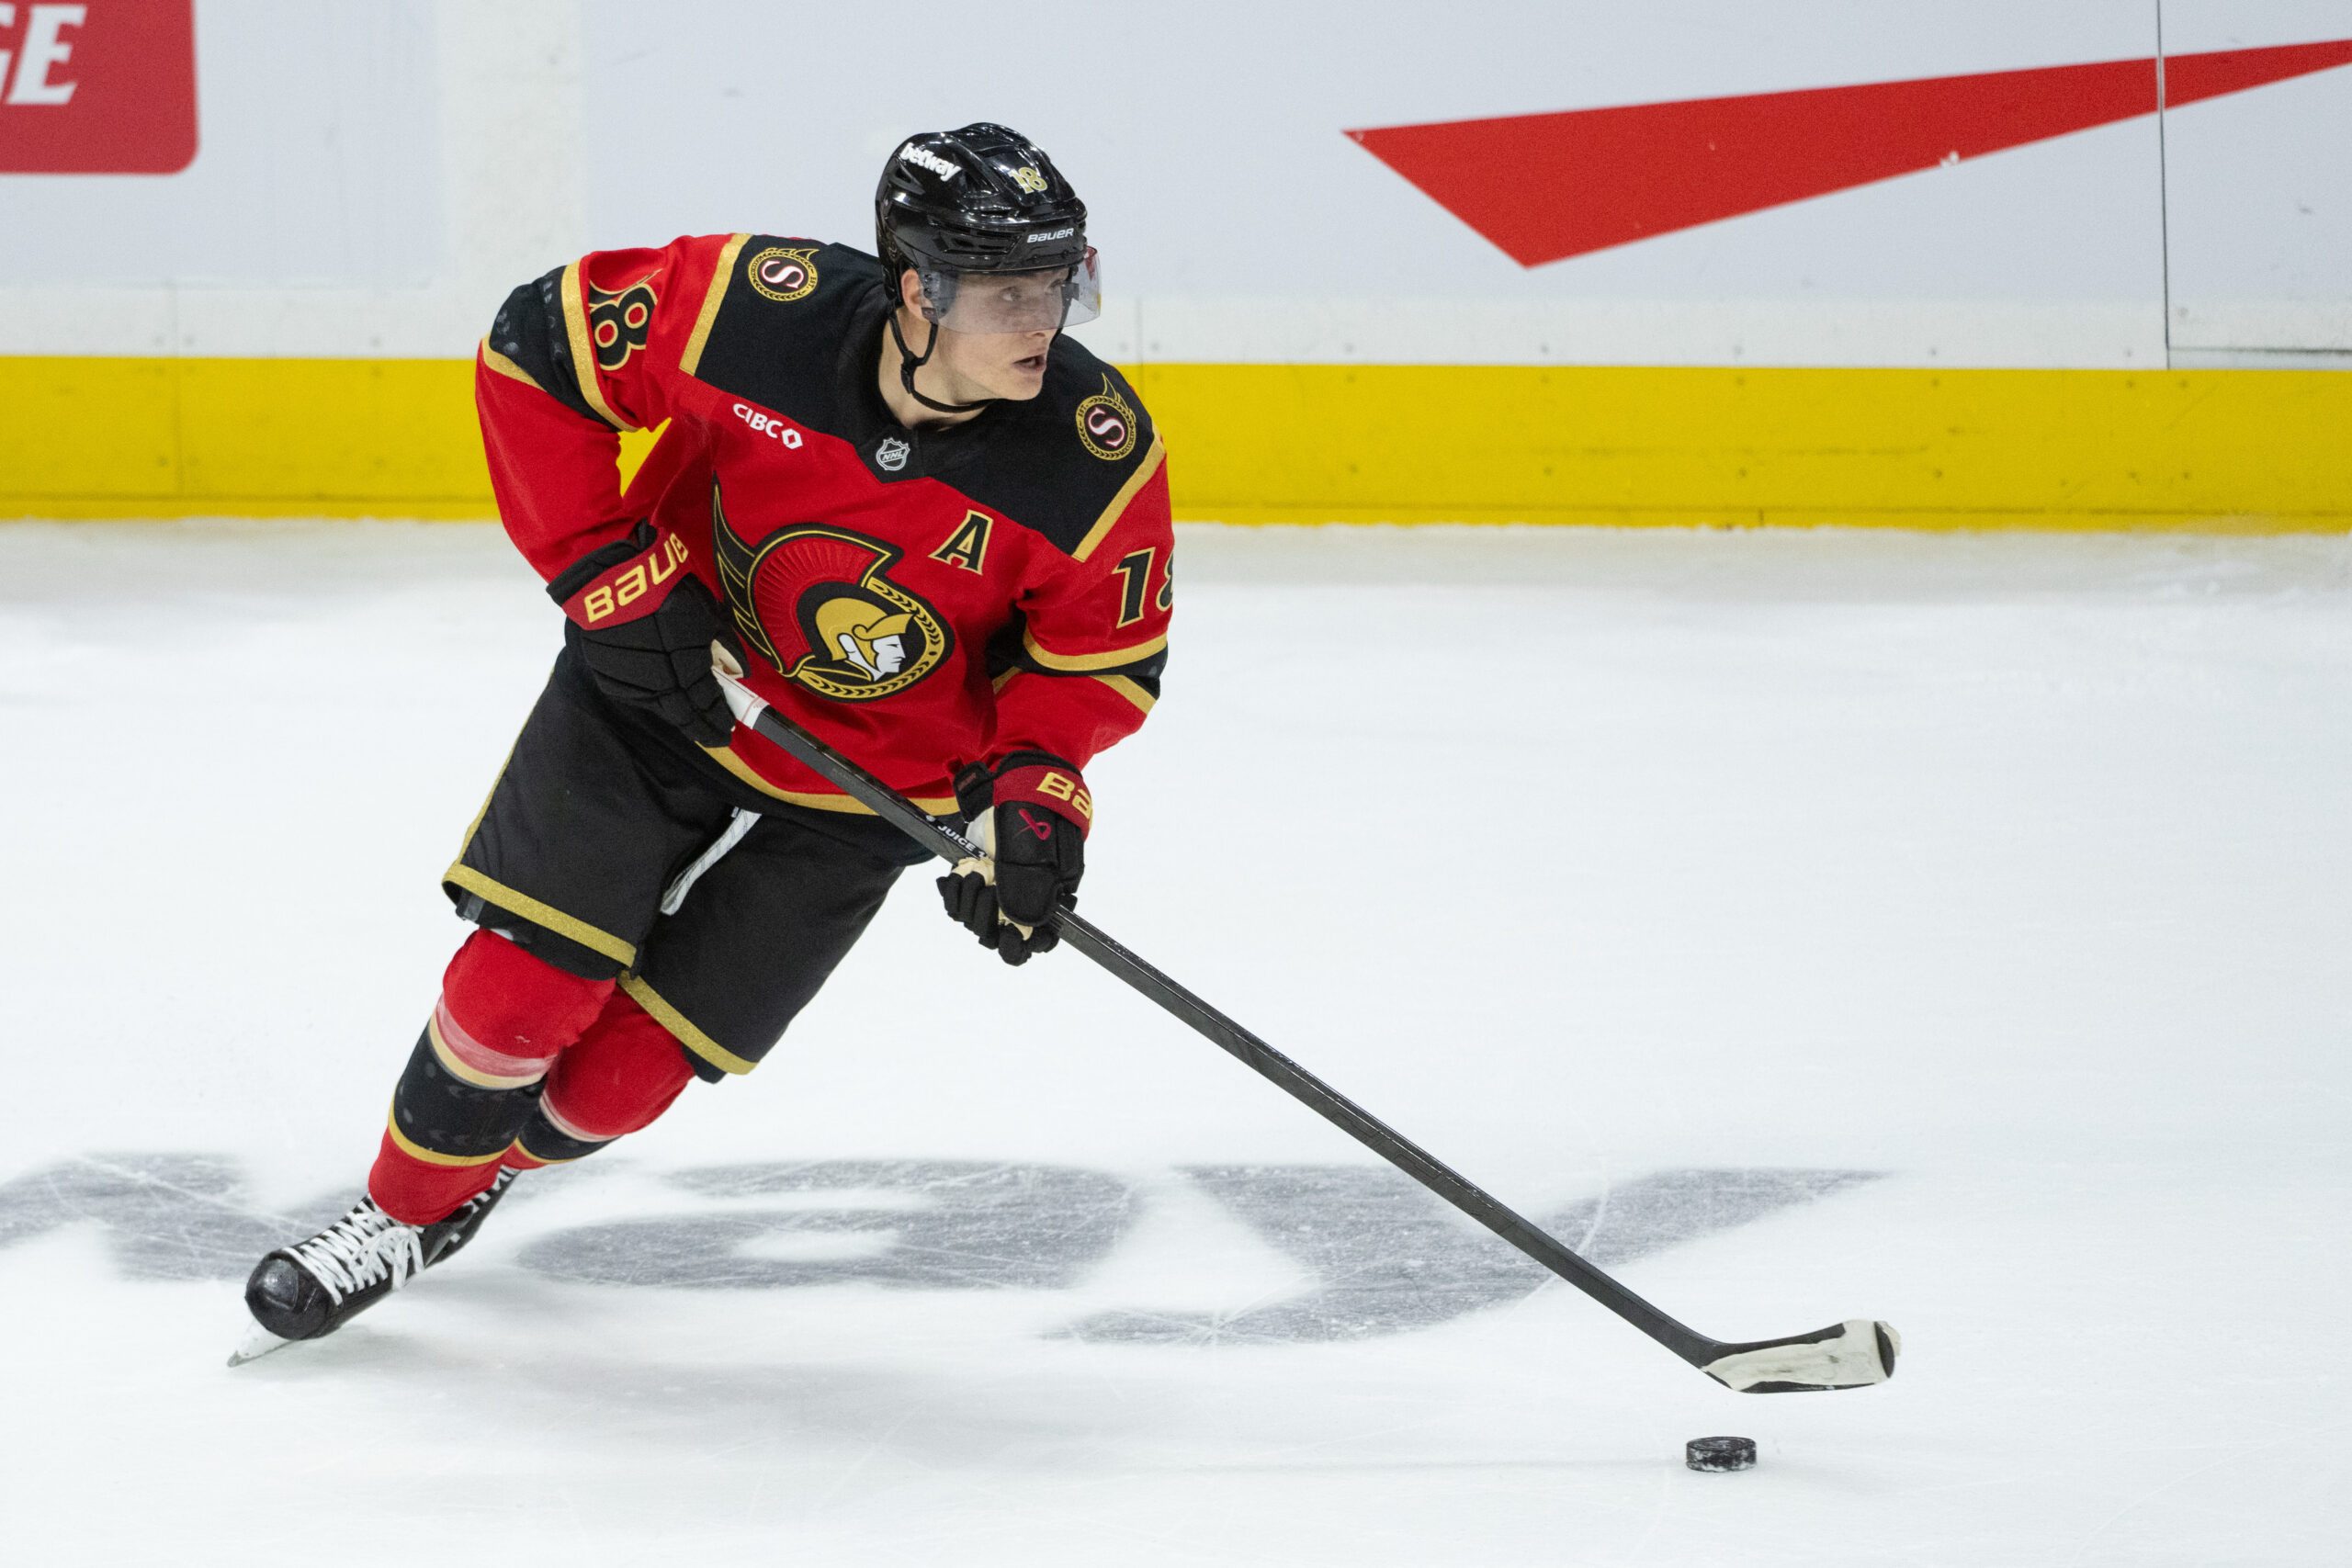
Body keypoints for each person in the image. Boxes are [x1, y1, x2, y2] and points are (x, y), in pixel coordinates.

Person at [237, 122, 1172, 1354]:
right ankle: (401, 1215)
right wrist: (607, 577)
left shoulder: (1092, 457)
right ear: (914, 290)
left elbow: (1094, 663)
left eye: (1059, 284)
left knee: (611, 1086)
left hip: (870, 788)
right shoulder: (751, 311)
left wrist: (1034, 801)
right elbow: (538, 351)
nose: (1042, 321)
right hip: (664, 691)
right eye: (1007, 293)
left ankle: (483, 1167)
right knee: (524, 994)